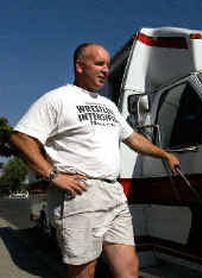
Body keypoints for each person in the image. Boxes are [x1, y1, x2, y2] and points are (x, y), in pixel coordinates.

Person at [11, 43, 180, 278]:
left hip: (113, 192)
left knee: (129, 269)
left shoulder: (109, 106)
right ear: (79, 66)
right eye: (99, 64)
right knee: (84, 272)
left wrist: (164, 154)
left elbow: (133, 139)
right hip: (80, 194)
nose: (105, 70)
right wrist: (53, 175)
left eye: (108, 65)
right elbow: (20, 138)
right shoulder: (58, 99)